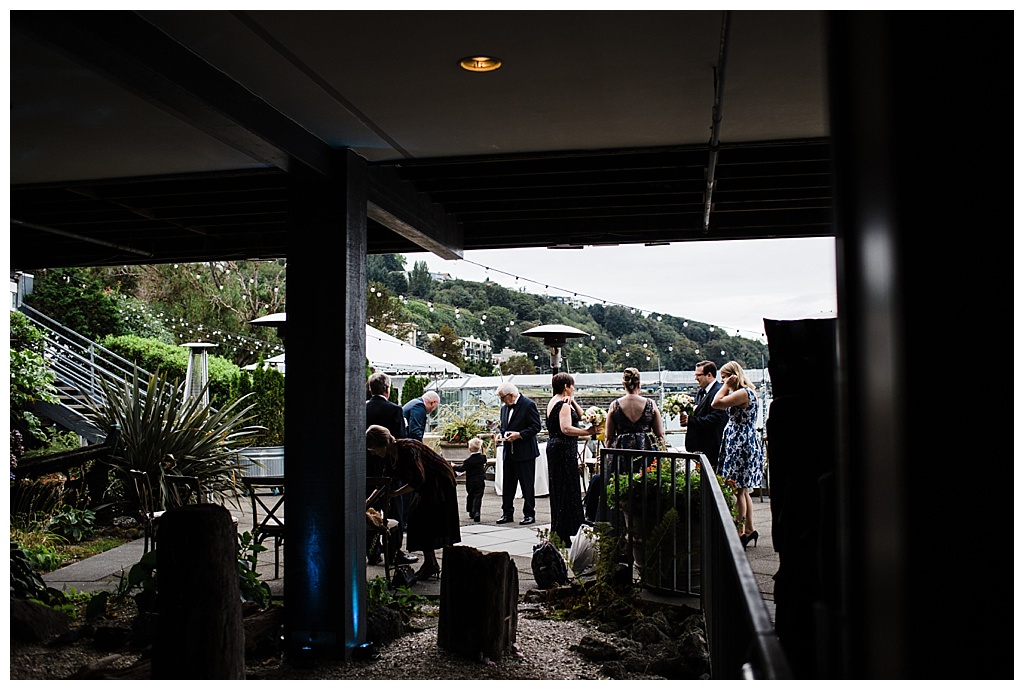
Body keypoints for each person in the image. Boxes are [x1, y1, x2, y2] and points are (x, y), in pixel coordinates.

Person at [365, 425, 461, 580]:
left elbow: (418, 479)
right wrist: (368, 501)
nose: (374, 453)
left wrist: (395, 493)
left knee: (432, 520)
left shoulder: (408, 449)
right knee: (418, 520)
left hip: (440, 481)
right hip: (426, 484)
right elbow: (384, 482)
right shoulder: (390, 456)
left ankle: (439, 565)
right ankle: (431, 563)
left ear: (382, 444)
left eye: (373, 449)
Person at [587, 367, 666, 522]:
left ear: (623, 383)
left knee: (619, 488)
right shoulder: (650, 404)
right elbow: (660, 434)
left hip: (621, 455)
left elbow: (609, 437)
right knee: (646, 487)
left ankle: (617, 527)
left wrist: (605, 457)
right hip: (646, 452)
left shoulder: (615, 405)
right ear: (639, 384)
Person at [712, 360, 766, 548]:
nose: (723, 381)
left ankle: (739, 533)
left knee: (737, 489)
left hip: (740, 443)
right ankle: (750, 529)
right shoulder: (748, 392)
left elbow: (716, 403)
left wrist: (725, 386)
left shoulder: (743, 393)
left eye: (724, 377)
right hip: (742, 441)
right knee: (743, 490)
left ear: (733, 376)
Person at [364, 372, 417, 566]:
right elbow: (399, 440)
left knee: (370, 510)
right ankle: (394, 552)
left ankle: (372, 551)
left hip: (367, 469)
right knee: (394, 508)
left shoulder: (362, 408)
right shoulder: (395, 410)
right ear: (387, 389)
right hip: (389, 467)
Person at [545, 372, 596, 546]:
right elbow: (566, 428)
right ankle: (569, 531)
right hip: (564, 448)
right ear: (566, 386)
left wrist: (572, 400)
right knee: (569, 487)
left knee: (560, 487)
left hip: (554, 446)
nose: (574, 388)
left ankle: (560, 529)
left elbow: (581, 416)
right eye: (572, 386)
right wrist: (587, 433)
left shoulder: (554, 401)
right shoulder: (563, 405)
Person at [495, 382, 541, 525]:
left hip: (525, 452)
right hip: (509, 452)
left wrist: (519, 434)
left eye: (503, 398)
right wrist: (500, 434)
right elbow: (504, 427)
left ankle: (529, 514)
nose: (502, 401)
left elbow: (536, 426)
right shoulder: (504, 409)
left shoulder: (528, 405)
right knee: (508, 485)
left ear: (511, 395)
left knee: (527, 485)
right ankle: (507, 513)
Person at [681, 360, 729, 472]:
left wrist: (690, 421)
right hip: (700, 446)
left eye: (698, 375)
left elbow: (717, 418)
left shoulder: (719, 392)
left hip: (712, 446)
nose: (696, 378)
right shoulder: (701, 392)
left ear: (709, 375)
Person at [452, 437, 487, 522]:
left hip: (470, 481)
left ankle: (471, 510)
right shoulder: (483, 458)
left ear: (469, 449)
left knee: (470, 495)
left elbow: (462, 468)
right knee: (478, 496)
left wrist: (454, 466)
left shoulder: (468, 461)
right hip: (480, 480)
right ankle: (477, 512)